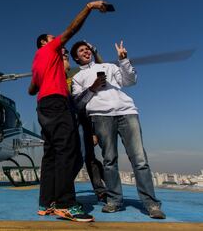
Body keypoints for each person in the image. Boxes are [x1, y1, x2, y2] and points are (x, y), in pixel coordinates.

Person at [28, 0, 109, 222]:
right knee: (68, 150)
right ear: (45, 42)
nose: (59, 41)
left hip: (43, 106)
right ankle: (66, 204)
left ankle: (46, 203)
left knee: (51, 154)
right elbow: (73, 29)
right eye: (53, 38)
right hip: (57, 103)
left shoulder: (38, 62)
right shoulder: (49, 48)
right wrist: (89, 7)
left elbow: (31, 89)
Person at [70, 40, 166, 219]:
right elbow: (77, 103)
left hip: (127, 113)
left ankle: (151, 204)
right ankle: (114, 201)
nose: (86, 51)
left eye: (88, 49)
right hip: (100, 117)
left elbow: (130, 81)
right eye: (82, 50)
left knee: (139, 160)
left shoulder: (108, 66)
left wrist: (124, 60)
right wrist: (93, 88)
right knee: (109, 160)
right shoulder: (77, 78)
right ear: (76, 57)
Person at [62, 45, 107, 202]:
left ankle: (101, 191)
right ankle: (63, 190)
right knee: (73, 157)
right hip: (65, 122)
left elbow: (102, 68)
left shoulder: (76, 73)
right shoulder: (53, 76)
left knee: (89, 157)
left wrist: (93, 131)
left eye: (66, 56)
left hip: (82, 119)